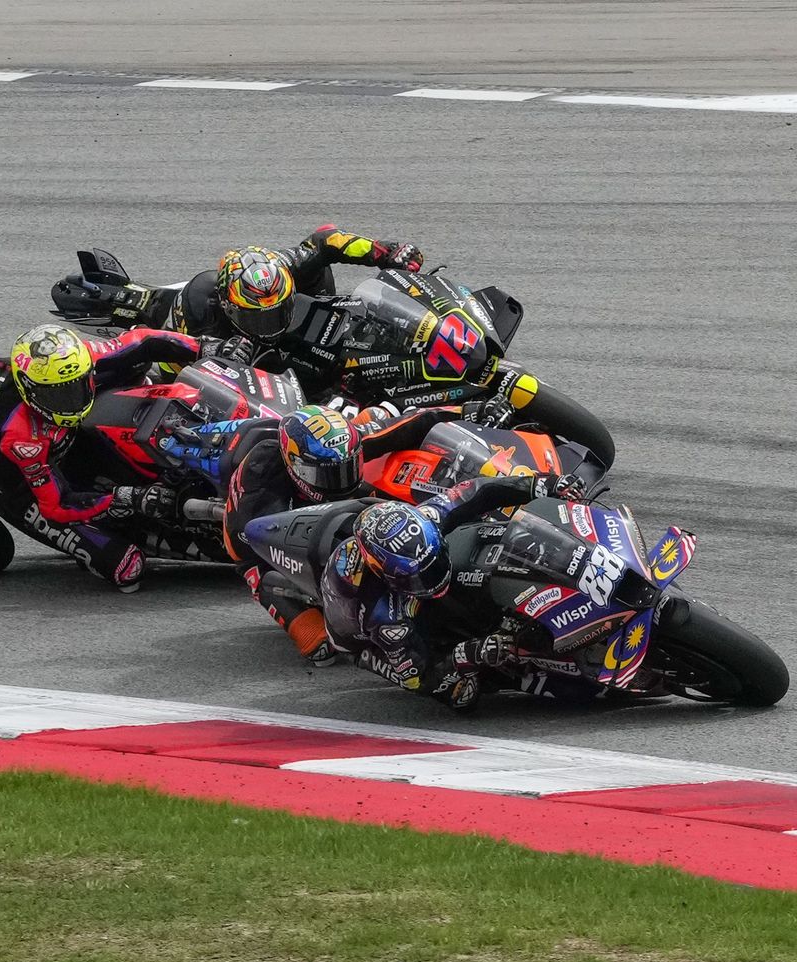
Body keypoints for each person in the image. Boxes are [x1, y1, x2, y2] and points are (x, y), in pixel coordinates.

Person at [191, 399, 506, 662]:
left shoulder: (338, 451)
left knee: (398, 511)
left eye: (348, 468)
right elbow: (248, 545)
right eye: (330, 475)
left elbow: (408, 424)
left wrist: (468, 411)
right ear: (295, 466)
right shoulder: (260, 494)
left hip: (334, 503)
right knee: (318, 641)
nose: (341, 479)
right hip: (263, 547)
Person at [0, 322, 249, 591]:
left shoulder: (80, 359)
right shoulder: (19, 436)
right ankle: (125, 526)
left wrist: (206, 346)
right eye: (59, 393)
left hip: (75, 443)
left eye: (78, 385)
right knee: (126, 568)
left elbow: (142, 341)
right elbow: (57, 505)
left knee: (139, 375)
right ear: (30, 390)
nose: (73, 398)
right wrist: (127, 497)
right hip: (30, 492)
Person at [323, 473, 583, 710]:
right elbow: (418, 677)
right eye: (417, 577)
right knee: (462, 694)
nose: (432, 579)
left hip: (407, 585)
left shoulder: (428, 518)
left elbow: (478, 491)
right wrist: (470, 653)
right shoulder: (384, 618)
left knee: (493, 521)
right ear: (386, 575)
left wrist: (542, 484)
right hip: (366, 640)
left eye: (433, 565)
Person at [100, 225, 424, 391]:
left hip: (299, 327)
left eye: (275, 311)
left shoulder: (282, 267)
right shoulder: (198, 307)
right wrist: (216, 353)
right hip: (233, 357)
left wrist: (384, 251)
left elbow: (326, 239)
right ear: (229, 306)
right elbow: (174, 368)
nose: (269, 323)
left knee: (319, 271)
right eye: (258, 316)